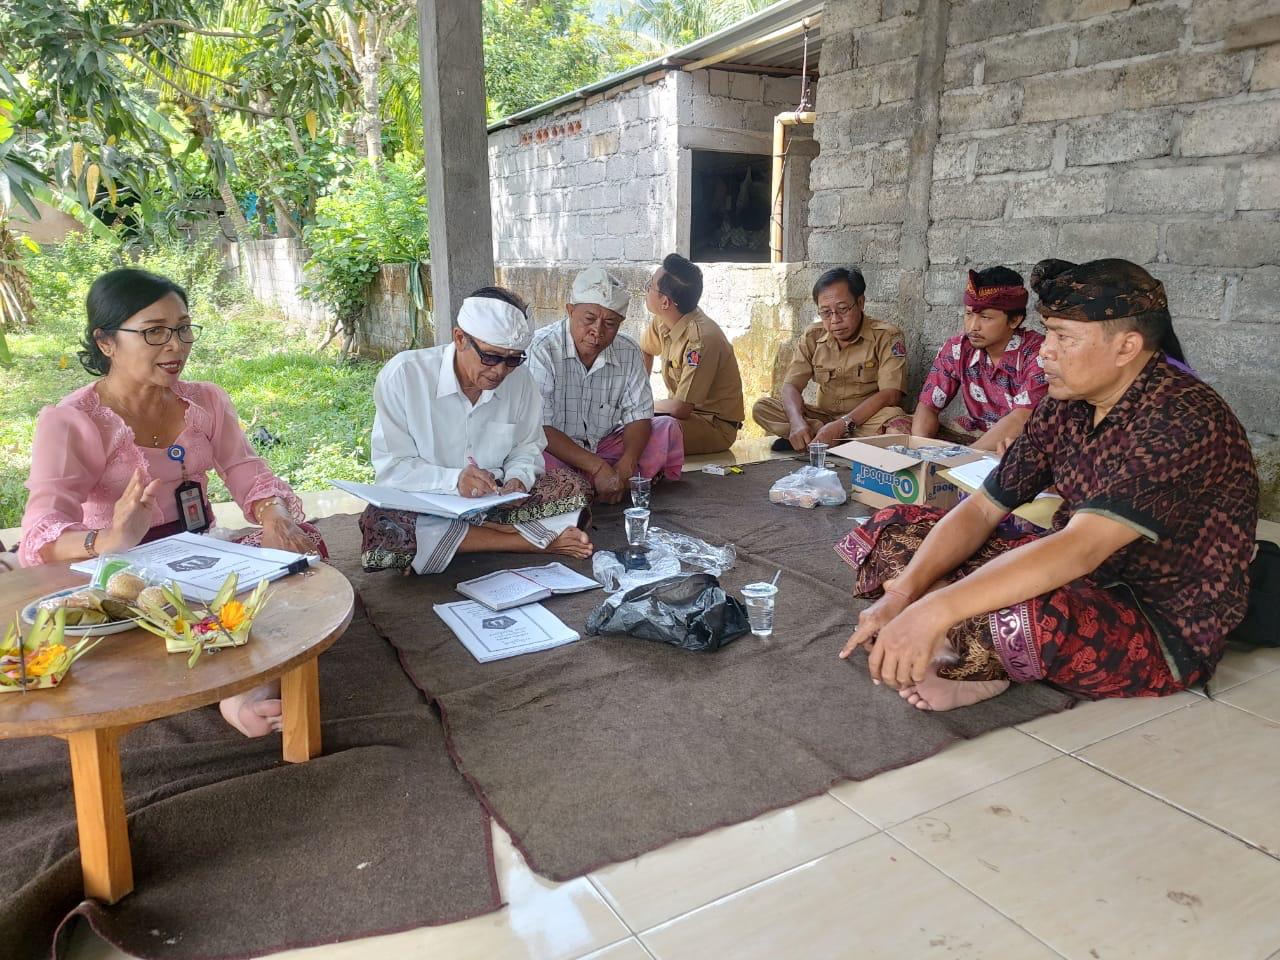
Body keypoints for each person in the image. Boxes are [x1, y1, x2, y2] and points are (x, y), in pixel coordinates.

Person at [836, 258, 1257, 712]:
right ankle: (960, 639)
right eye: (1048, 332)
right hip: (1072, 568)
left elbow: (1079, 549)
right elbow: (983, 509)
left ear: (1126, 346)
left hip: (1154, 618)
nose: (1044, 352)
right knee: (895, 528)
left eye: (1063, 337)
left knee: (1029, 615)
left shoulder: (1181, 419)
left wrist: (934, 608)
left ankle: (979, 660)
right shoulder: (1068, 403)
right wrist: (904, 594)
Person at [19, 268, 325, 738]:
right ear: (106, 343)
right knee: (150, 607)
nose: (176, 345)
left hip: (199, 548)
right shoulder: (74, 422)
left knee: (301, 555)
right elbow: (40, 532)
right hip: (118, 568)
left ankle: (239, 674)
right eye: (154, 332)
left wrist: (274, 513)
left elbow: (245, 470)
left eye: (182, 329)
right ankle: (242, 686)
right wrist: (109, 539)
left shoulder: (205, 402)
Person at [360, 287, 594, 574]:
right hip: (429, 500)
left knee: (572, 488)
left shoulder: (520, 381)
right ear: (460, 339)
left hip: (496, 501)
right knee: (382, 520)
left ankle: (457, 541)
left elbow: (527, 447)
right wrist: (454, 481)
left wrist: (518, 479)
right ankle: (527, 541)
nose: (500, 371)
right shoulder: (404, 375)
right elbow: (392, 469)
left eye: (512, 359)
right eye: (491, 357)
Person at [527, 267, 683, 504]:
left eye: (610, 323)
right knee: (530, 457)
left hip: (606, 446)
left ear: (621, 323)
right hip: (557, 451)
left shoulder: (628, 350)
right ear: (570, 311)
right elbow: (541, 428)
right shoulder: (541, 349)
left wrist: (625, 466)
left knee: (666, 428)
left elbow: (639, 415)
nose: (597, 331)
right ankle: (595, 485)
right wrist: (598, 468)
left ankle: (598, 486)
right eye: (589, 319)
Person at [752, 267, 911, 452]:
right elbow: (790, 386)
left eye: (843, 309)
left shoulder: (886, 336)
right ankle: (821, 437)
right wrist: (796, 422)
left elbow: (891, 394)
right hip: (823, 418)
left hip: (864, 422)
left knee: (896, 421)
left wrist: (842, 425)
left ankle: (818, 440)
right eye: (826, 312)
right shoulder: (812, 336)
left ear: (860, 302)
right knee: (763, 408)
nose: (835, 319)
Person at [912, 266, 1048, 452]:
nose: (973, 326)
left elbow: (1020, 418)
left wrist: (963, 460)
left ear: (1015, 320)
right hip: (976, 433)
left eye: (985, 317)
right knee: (900, 428)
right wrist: (920, 452)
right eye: (969, 314)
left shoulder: (1038, 353)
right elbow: (928, 406)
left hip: (1019, 439)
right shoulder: (957, 348)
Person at [638, 254, 745, 456]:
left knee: (640, 431)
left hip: (713, 425)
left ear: (665, 302)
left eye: (650, 286)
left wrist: (641, 407)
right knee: (630, 424)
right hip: (680, 418)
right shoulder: (663, 320)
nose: (646, 290)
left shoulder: (701, 339)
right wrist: (638, 396)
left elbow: (681, 408)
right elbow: (646, 349)